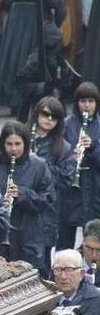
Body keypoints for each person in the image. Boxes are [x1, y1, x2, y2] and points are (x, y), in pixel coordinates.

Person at [0, 121, 54, 276]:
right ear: (2, 144)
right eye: (9, 144)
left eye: (17, 144)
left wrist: (22, 194)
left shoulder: (39, 165)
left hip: (29, 233)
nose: (13, 149)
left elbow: (47, 199)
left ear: (25, 144)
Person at [27, 97, 77, 258]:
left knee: (42, 259)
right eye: (46, 114)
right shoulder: (22, 137)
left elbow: (66, 179)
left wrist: (40, 164)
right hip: (22, 203)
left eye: (54, 116)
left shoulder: (63, 147)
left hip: (46, 209)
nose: (49, 119)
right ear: (37, 114)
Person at [65, 82, 100, 233]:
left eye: (91, 101)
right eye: (83, 101)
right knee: (66, 235)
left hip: (95, 187)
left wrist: (92, 148)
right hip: (72, 188)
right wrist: (72, 156)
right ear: (77, 102)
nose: (87, 105)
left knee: (93, 236)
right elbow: (58, 154)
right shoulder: (66, 124)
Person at [51, 249, 100, 315]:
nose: (63, 277)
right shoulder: (46, 299)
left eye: (69, 270)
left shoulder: (95, 300)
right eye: (58, 270)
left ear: (81, 274)